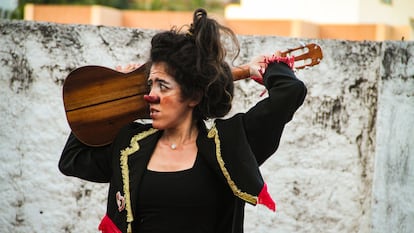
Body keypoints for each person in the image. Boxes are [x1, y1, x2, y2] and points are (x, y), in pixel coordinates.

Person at [59, 8, 307, 233]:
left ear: (194, 95)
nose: (150, 95)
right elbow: (72, 160)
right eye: (149, 85)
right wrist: (117, 95)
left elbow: (289, 92)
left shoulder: (229, 145)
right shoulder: (129, 145)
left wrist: (270, 68)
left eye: (162, 86)